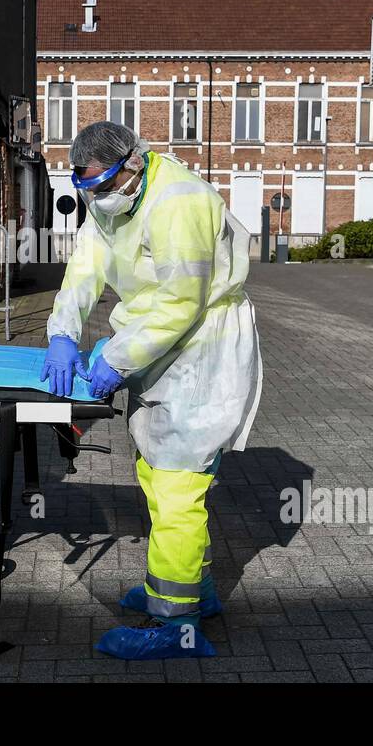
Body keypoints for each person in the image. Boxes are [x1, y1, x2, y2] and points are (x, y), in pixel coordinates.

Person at [40, 121, 262, 660]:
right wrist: (63, 332)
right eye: (86, 190)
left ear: (133, 165)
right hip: (160, 347)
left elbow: (181, 303)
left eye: (102, 188)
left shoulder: (180, 199)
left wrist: (114, 360)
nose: (96, 199)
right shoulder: (111, 197)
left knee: (176, 487)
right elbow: (85, 266)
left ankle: (176, 625)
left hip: (202, 349)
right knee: (155, 470)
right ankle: (195, 588)